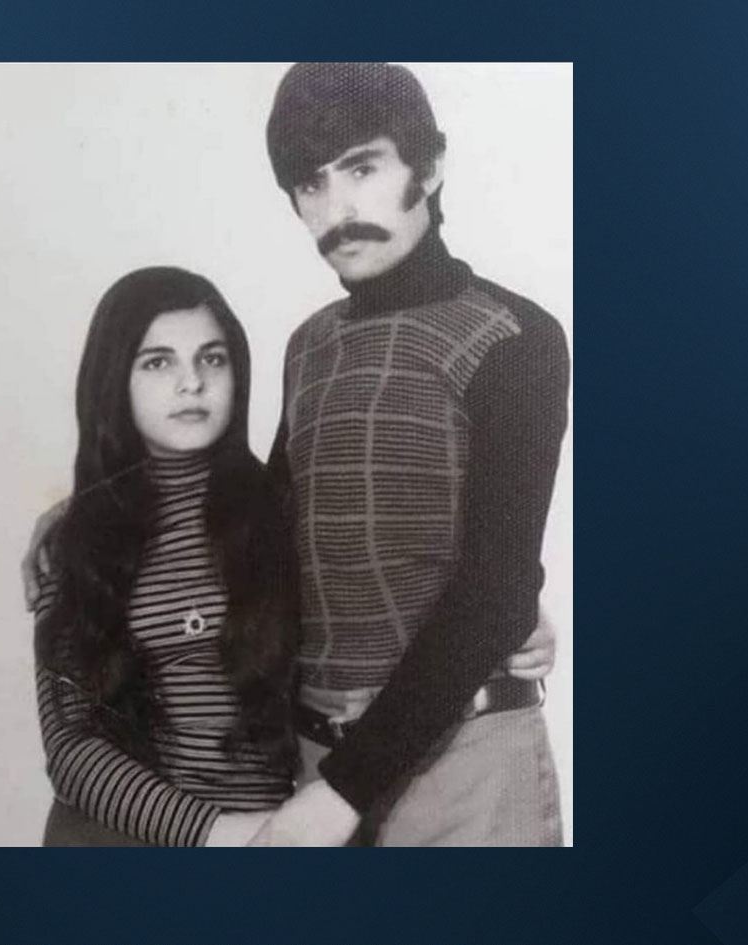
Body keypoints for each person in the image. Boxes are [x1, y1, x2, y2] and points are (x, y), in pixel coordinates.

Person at [251, 62, 570, 846]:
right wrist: (92, 511)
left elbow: (494, 589)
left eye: (362, 167)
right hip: (316, 758)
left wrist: (340, 795)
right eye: (311, 183)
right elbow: (265, 533)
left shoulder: (515, 338)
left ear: (428, 168)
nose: (338, 210)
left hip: (463, 768)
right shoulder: (309, 345)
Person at [30, 266, 299, 846]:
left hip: (281, 840)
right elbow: (71, 748)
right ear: (115, 381)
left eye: (212, 359)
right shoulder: (76, 542)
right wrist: (220, 835)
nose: (192, 383)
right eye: (158, 362)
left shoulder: (287, 516)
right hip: (120, 843)